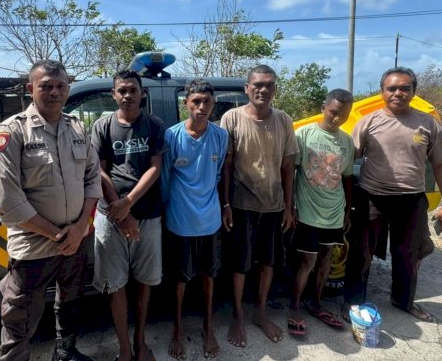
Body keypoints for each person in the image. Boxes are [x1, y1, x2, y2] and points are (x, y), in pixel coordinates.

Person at [0, 60, 101, 361]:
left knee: (70, 302)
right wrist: (57, 235)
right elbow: (7, 201)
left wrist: (78, 229)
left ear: (68, 89)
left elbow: (93, 178)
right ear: (30, 89)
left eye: (60, 86)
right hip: (35, 245)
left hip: (75, 241)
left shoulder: (76, 127)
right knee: (20, 315)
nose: (54, 92)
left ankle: (65, 353)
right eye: (46, 86)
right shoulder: (12, 132)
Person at [342, 67, 442, 322]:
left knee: (409, 253)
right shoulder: (369, 122)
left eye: (405, 88)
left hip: (411, 199)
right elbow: (348, 161)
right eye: (392, 88)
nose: (398, 93)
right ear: (382, 92)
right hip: (371, 197)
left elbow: (441, 166)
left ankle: (403, 300)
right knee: (362, 253)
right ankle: (353, 301)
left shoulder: (428, 124)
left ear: (414, 92)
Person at [220, 64, 299, 347]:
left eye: (269, 85)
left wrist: (289, 207)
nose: (263, 89)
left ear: (275, 89)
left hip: (274, 206)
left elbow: (289, 166)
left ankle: (260, 312)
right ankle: (238, 315)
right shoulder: (231, 118)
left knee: (268, 262)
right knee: (240, 264)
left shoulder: (284, 120)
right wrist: (226, 203)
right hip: (241, 205)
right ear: (246, 88)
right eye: (257, 84)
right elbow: (226, 166)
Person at [91, 70, 166, 361]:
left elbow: (155, 167)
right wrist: (120, 211)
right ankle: (124, 347)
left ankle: (140, 340)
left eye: (133, 90)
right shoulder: (102, 126)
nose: (127, 95)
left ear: (142, 93)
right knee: (116, 284)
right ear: (113, 94)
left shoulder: (155, 125)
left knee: (146, 281)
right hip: (110, 217)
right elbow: (98, 170)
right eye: (121, 90)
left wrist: (129, 203)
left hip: (148, 216)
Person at [161, 80, 228, 359]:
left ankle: (208, 327)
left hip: (210, 221)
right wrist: (165, 214)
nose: (202, 107)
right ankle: (177, 330)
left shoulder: (221, 137)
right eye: (196, 101)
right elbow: (165, 179)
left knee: (209, 277)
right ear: (186, 103)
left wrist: (224, 205)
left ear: (213, 104)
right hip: (180, 222)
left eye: (207, 102)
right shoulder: (172, 136)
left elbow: (219, 173)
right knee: (179, 280)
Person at [287, 89, 355, 336]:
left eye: (344, 115)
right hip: (307, 210)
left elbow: (347, 178)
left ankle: (315, 303)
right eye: (334, 112)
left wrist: (347, 211)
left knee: (326, 259)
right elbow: (292, 172)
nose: (337, 119)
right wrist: (291, 205)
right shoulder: (304, 135)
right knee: (307, 261)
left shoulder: (347, 142)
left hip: (334, 211)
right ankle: (294, 306)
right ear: (324, 107)